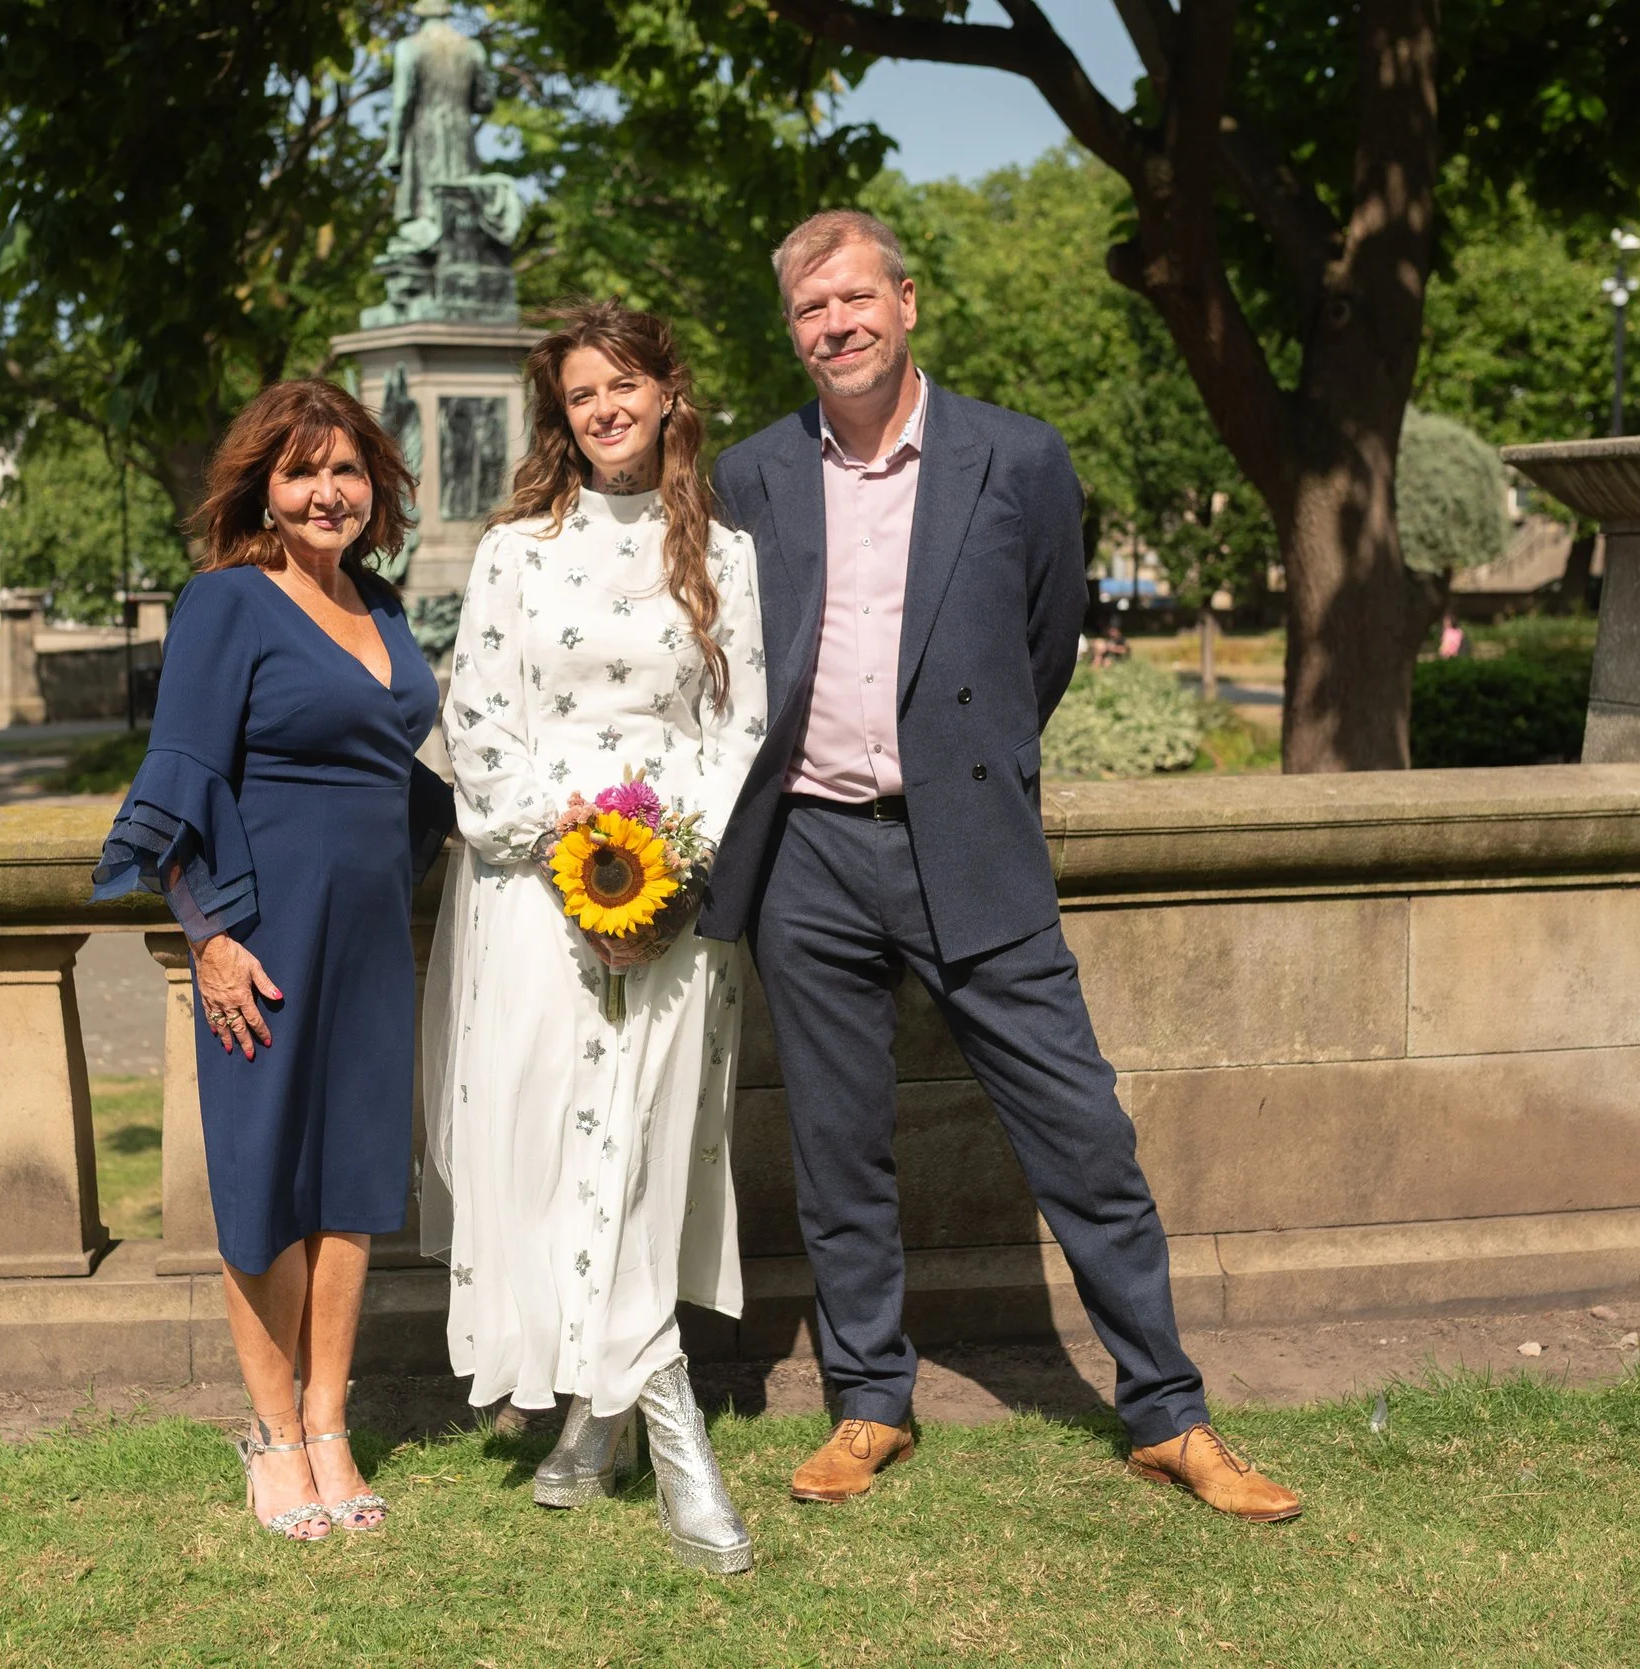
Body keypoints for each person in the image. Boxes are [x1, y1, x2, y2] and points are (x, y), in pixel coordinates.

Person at [699, 210, 1301, 1523]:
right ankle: (870, 1402)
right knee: (840, 1146)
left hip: (967, 844)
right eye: (810, 310)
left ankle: (1169, 1414)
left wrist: (957, 771)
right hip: (807, 856)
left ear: (907, 303)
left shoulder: (1019, 459)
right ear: (792, 331)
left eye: (855, 298)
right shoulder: (750, 476)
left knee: (1084, 1137)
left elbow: (1044, 647)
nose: (836, 325)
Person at [421, 300, 770, 1573]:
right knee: (553, 1148)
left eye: (624, 385)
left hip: (673, 903)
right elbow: (479, 721)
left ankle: (607, 1416)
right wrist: (569, 863)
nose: (605, 409)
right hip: (535, 896)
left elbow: (739, 729)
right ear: (559, 418)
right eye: (581, 396)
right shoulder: (517, 549)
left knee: (640, 1150)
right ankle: (664, 1427)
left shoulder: (723, 555)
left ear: (669, 393)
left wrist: (671, 870)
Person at [92, 379, 451, 1541]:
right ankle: (272, 1438)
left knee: (350, 1189)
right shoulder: (227, 604)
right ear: (263, 487)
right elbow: (182, 771)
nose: (327, 492)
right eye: (302, 473)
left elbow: (401, 777)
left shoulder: (384, 607)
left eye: (346, 471)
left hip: (369, 938)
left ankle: (331, 1422)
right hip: (264, 938)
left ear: (374, 487)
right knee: (263, 1192)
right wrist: (210, 940)